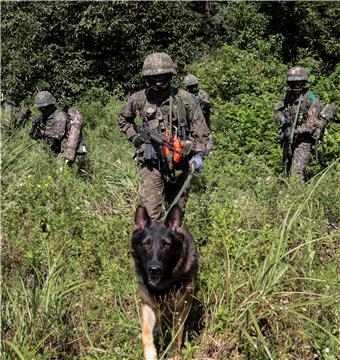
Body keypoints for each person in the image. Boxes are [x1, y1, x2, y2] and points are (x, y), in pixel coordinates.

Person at [118, 52, 210, 220]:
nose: (158, 83)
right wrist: (134, 137)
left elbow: (202, 131)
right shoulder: (139, 98)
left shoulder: (186, 100)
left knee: (176, 217)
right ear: (147, 79)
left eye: (162, 78)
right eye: (154, 79)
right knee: (151, 217)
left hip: (180, 165)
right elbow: (123, 119)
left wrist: (198, 154)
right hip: (152, 166)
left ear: (170, 76)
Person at [274, 66, 323, 181]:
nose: (296, 85)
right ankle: (284, 191)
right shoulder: (288, 95)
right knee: (286, 166)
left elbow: (311, 122)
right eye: (293, 83)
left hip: (303, 138)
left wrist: (296, 130)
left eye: (299, 82)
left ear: (303, 82)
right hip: (288, 136)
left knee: (296, 173)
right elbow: (277, 110)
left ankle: (296, 195)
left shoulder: (311, 98)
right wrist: (283, 120)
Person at [30, 91, 86, 162]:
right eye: (40, 108)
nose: (41, 110)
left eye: (43, 108)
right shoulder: (43, 117)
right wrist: (34, 128)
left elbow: (58, 135)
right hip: (51, 150)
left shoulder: (59, 116)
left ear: (49, 106)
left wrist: (43, 132)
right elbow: (34, 137)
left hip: (63, 151)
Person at [183, 74, 213, 154]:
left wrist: (202, 103)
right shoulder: (185, 96)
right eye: (191, 86)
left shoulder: (202, 93)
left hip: (204, 122)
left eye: (195, 86)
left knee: (207, 142)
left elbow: (206, 103)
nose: (194, 88)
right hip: (191, 124)